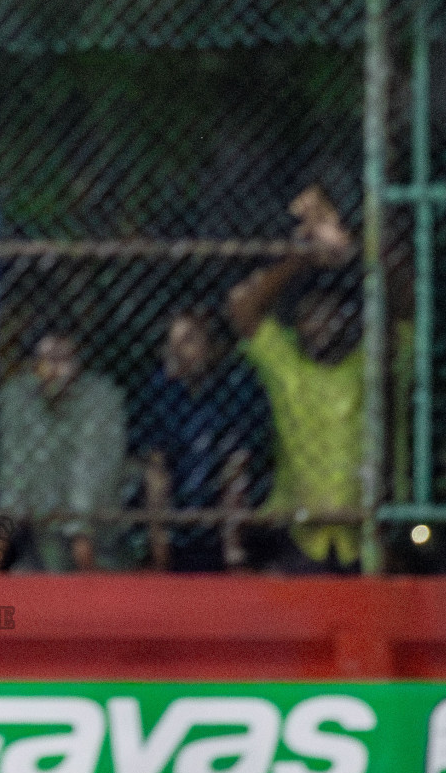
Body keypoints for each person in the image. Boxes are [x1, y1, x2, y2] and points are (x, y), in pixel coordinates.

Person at [225, 185, 362, 573]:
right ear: (296, 324)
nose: (321, 325)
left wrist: (349, 245)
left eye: (331, 315)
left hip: (363, 538)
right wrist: (302, 255)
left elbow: (408, 307)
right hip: (300, 537)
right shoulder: (287, 362)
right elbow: (241, 307)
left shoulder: (367, 364)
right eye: (311, 315)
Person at [136, 308, 273, 572]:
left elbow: (238, 466)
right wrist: (159, 541)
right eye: (172, 343)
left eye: (188, 340)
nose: (176, 351)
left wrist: (233, 550)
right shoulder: (161, 388)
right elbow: (156, 467)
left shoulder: (237, 384)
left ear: (212, 346)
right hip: (177, 521)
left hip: (230, 522)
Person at [0, 332, 130, 573]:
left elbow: (90, 472)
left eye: (65, 359)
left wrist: (82, 536)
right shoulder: (19, 398)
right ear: (34, 365)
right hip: (39, 544)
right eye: (49, 359)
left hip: (99, 540)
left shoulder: (100, 398)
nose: (57, 369)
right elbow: (13, 478)